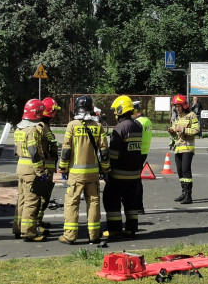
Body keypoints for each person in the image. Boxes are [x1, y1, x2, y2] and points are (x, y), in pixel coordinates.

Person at [58, 95, 108, 244]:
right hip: (92, 174)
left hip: (75, 174)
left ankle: (70, 236)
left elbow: (66, 150)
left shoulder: (72, 125)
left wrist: (63, 168)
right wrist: (105, 170)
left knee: (72, 203)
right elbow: (104, 152)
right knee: (93, 202)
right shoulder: (98, 127)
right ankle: (94, 235)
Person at [103, 95, 145, 239]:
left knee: (111, 200)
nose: (114, 113)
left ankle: (114, 230)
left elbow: (114, 154)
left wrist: (105, 162)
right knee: (131, 202)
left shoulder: (120, 128)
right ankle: (131, 229)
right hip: (134, 173)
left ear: (121, 109)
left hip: (119, 174)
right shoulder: (137, 126)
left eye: (115, 110)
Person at [13, 98, 51, 241]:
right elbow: (34, 152)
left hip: (20, 165)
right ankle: (29, 233)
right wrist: (40, 171)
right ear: (36, 113)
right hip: (30, 167)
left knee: (21, 199)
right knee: (31, 200)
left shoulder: (18, 128)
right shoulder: (32, 130)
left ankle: (18, 228)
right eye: (40, 113)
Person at [34, 97, 61, 232]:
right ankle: (36, 223)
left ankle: (39, 221)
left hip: (49, 168)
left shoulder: (46, 127)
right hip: (44, 169)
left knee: (45, 196)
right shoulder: (40, 128)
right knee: (41, 196)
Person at [168, 94, 200, 204]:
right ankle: (183, 192)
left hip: (188, 148)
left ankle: (188, 195)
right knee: (180, 171)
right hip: (178, 148)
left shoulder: (192, 115)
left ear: (184, 106)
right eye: (175, 106)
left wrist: (184, 130)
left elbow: (197, 130)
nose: (177, 108)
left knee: (186, 170)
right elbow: (175, 129)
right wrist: (172, 131)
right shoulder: (177, 117)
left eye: (179, 106)